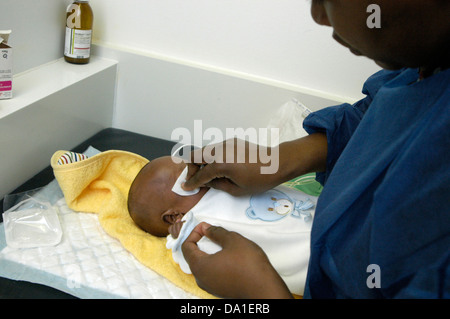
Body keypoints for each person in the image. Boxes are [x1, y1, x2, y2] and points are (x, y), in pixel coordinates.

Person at [180, 0, 450, 298]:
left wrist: (262, 293)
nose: (318, 16)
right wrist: (281, 159)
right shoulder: (425, 65)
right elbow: (384, 115)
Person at [127, 156, 317, 296]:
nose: (195, 170)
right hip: (312, 255)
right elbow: (195, 259)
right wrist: (182, 236)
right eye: (184, 174)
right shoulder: (197, 225)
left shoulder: (224, 181)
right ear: (173, 216)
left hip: (323, 212)